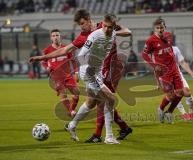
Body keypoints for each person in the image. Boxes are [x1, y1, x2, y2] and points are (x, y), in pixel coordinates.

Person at [29, 10, 131, 144]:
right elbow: (67, 51)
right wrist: (42, 57)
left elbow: (127, 31)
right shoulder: (86, 36)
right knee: (109, 99)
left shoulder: (105, 25)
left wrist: (112, 32)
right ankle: (108, 136)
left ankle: (72, 125)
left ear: (89, 19)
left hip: (102, 69)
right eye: (79, 25)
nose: (81, 27)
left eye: (82, 23)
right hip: (90, 71)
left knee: (91, 102)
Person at [142, 17, 188, 124]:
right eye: (157, 28)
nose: (160, 30)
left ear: (165, 27)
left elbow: (169, 49)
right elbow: (144, 54)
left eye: (161, 27)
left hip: (174, 69)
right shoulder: (150, 41)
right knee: (171, 96)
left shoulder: (169, 36)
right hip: (164, 72)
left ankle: (169, 112)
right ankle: (161, 109)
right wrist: (154, 65)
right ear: (155, 29)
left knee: (181, 92)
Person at [42, 29, 80, 117]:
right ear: (51, 38)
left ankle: (71, 111)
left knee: (77, 93)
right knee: (64, 94)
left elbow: (73, 61)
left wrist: (76, 72)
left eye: (57, 35)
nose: (55, 37)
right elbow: (43, 61)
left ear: (60, 37)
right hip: (57, 76)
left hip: (68, 74)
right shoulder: (47, 50)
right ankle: (71, 112)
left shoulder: (66, 48)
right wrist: (47, 67)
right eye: (53, 36)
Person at [172, 46, 193, 121]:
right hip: (167, 77)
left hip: (177, 75)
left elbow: (182, 62)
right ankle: (183, 113)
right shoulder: (158, 50)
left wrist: (191, 73)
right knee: (175, 95)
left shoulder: (175, 49)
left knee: (187, 92)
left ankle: (191, 112)